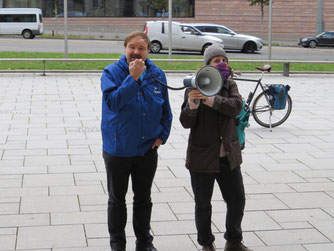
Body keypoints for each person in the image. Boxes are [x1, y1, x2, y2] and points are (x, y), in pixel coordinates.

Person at [101, 31, 173, 251]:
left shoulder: (157, 74)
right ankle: (117, 245)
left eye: (141, 48)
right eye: (132, 47)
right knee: (117, 200)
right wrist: (132, 78)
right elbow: (113, 102)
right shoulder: (111, 72)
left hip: (146, 151)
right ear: (125, 48)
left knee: (143, 200)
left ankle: (144, 243)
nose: (136, 52)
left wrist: (162, 136)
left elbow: (165, 110)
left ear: (147, 50)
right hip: (118, 150)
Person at [179, 43, 252, 251]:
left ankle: (234, 240)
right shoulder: (195, 86)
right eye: (216, 60)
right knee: (203, 204)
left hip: (228, 155)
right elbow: (185, 122)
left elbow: (236, 106)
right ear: (207, 66)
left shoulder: (230, 85)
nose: (222, 63)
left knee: (237, 200)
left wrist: (212, 100)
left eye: (224, 60)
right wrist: (192, 105)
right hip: (202, 157)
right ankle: (206, 243)